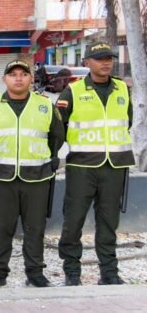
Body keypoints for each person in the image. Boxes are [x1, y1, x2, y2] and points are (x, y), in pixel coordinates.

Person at [0, 60, 64, 289]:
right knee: (2, 227)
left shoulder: (45, 105)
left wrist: (49, 158)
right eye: (12, 74)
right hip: (1, 177)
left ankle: (35, 273)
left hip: (37, 177)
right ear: (4, 79)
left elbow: (57, 136)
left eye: (23, 74)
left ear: (31, 79)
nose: (18, 78)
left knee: (35, 228)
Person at [56, 42, 134, 286]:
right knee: (73, 222)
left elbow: (127, 121)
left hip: (115, 166)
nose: (106, 63)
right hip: (82, 167)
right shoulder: (73, 91)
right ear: (87, 62)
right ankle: (72, 272)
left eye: (109, 58)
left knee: (109, 223)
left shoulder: (121, 88)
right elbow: (59, 128)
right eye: (99, 58)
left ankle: (109, 273)